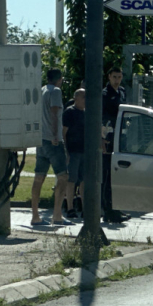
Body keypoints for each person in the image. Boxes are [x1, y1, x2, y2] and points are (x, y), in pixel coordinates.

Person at [31, 69, 72, 227]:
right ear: (59, 79)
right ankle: (57, 215)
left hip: (40, 140)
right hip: (52, 140)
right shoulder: (55, 91)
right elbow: (55, 113)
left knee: (38, 177)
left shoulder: (41, 90)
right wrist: (56, 135)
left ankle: (35, 215)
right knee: (63, 177)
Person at [101, 67, 128, 223]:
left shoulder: (122, 92)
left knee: (118, 174)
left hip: (121, 136)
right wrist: (102, 137)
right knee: (108, 175)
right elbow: (102, 117)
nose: (117, 80)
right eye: (114, 77)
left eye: (119, 77)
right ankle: (108, 210)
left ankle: (116, 207)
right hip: (109, 136)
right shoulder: (105, 95)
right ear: (109, 77)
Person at [63, 88, 86, 220]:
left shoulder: (86, 113)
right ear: (76, 98)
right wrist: (66, 151)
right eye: (83, 97)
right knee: (71, 180)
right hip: (73, 151)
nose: (85, 100)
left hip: (84, 152)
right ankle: (70, 207)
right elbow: (63, 133)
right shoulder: (69, 112)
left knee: (83, 180)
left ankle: (83, 207)